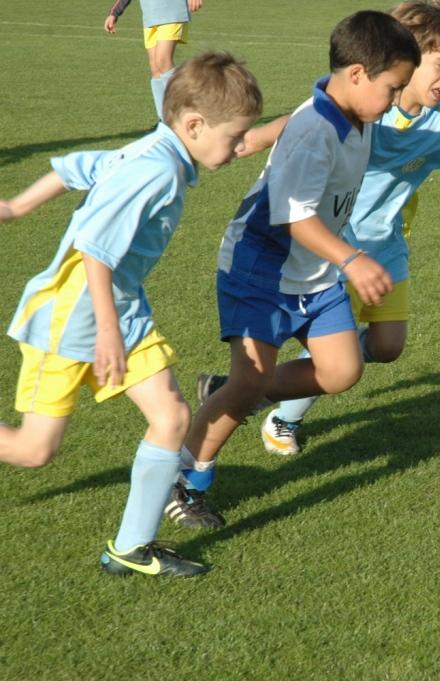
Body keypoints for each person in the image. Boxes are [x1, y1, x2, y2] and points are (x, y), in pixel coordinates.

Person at [200, 0, 440, 459]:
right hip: (335, 246)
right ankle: (281, 414)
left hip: (385, 246)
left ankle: (240, 389)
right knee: (333, 350)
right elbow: (304, 121)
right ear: (407, 59)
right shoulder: (366, 109)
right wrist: (251, 140)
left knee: (387, 347)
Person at [0, 52, 262, 576]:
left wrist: (16, 207)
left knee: (171, 416)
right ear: (193, 124)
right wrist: (108, 334)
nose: (238, 149)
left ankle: (131, 549)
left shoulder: (154, 150)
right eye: (233, 138)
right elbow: (95, 251)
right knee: (33, 451)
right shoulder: (157, 170)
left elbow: (74, 167)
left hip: (121, 308)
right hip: (73, 316)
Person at [163, 11, 420, 528]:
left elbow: (297, 120)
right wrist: (353, 258)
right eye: (392, 89)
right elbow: (296, 218)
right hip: (261, 268)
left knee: (343, 370)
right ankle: (186, 481)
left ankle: (227, 393)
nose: (395, 101)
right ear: (356, 76)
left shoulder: (354, 114)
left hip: (314, 273)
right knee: (250, 381)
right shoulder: (315, 132)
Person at [104, 0, 205, 120]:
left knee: (162, 61)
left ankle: (189, 109)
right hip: (151, 15)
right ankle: (164, 121)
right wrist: (114, 13)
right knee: (155, 67)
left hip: (172, 11)